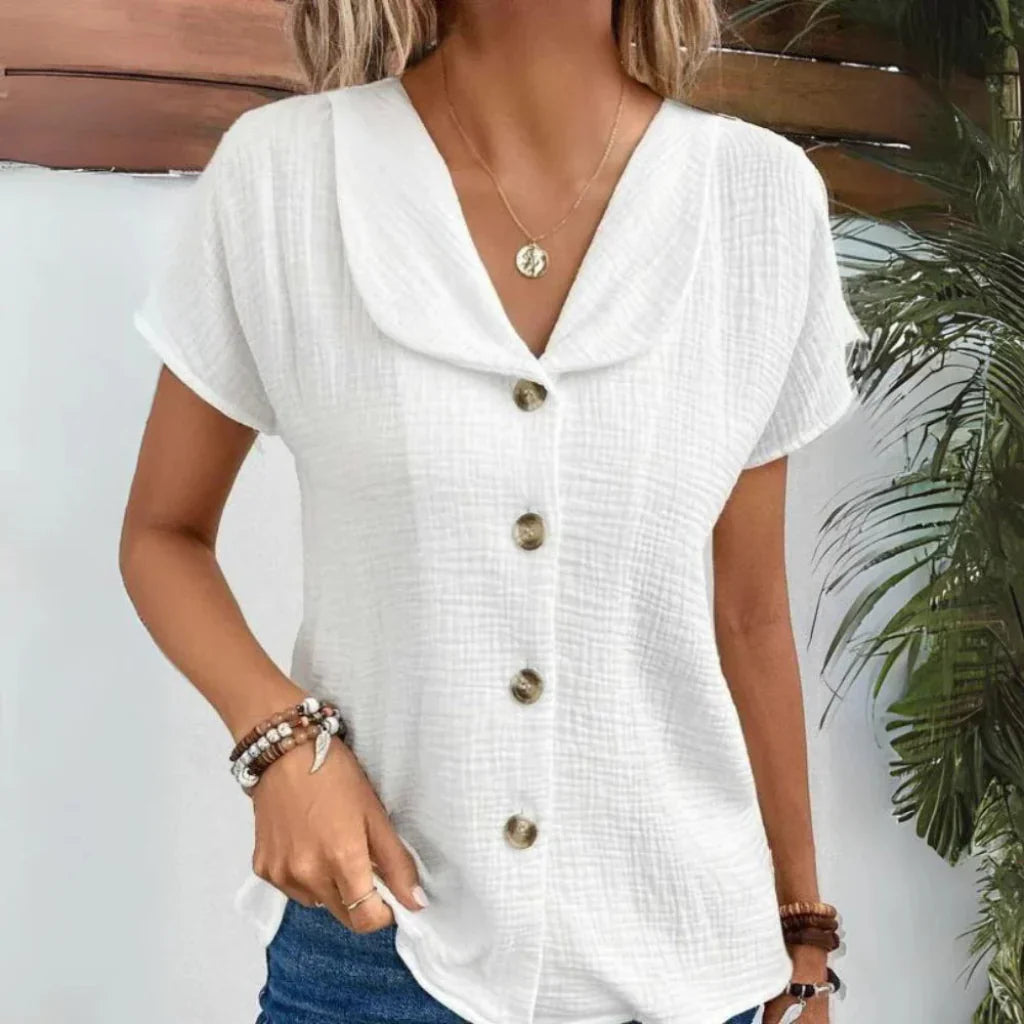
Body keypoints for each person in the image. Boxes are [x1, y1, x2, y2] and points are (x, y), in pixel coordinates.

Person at [119, 1, 862, 1021]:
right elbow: (162, 535)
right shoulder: (284, 176)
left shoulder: (760, 200)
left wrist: (803, 935)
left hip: (692, 962)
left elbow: (749, 611)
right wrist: (280, 743)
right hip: (380, 950)